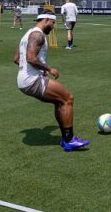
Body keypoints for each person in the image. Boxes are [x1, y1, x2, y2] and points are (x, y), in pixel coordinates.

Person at [13, 13, 89, 151]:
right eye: (53, 23)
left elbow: (17, 59)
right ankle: (69, 140)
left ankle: (66, 138)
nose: (53, 27)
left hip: (24, 79)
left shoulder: (27, 33)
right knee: (67, 98)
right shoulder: (38, 35)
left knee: (59, 101)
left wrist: (38, 70)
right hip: (31, 79)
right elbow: (31, 58)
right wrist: (49, 69)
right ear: (46, 20)